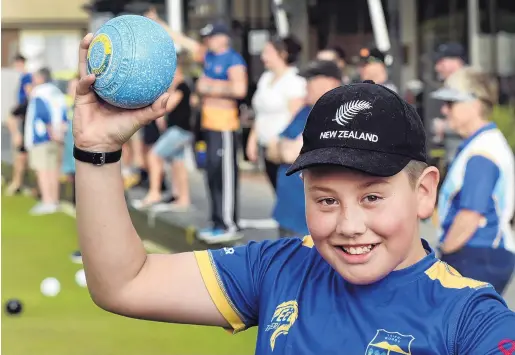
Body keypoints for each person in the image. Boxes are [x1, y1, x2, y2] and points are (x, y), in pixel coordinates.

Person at [73, 33, 515, 354]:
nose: (348, 225)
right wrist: (98, 151)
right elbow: (124, 284)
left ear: (423, 192)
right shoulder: (278, 267)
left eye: (372, 197)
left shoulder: (471, 318)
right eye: (326, 199)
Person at [146, 11, 248, 242]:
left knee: (224, 177)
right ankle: (217, 221)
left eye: (211, 37)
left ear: (223, 38)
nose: (207, 41)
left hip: (225, 127)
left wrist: (208, 87)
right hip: (209, 126)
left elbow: (239, 90)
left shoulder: (232, 60)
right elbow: (183, 41)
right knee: (211, 175)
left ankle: (229, 224)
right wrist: (159, 23)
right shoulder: (208, 56)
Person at [431, 67, 515, 295]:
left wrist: (443, 257)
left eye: (452, 103)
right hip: (480, 254)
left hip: (476, 254)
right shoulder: (482, 145)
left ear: (476, 104)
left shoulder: (482, 152)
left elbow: (470, 216)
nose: (445, 110)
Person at [265, 60, 342, 237]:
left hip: (309, 221)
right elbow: (272, 148)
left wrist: (285, 149)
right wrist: (285, 149)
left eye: (311, 80)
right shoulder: (305, 110)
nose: (305, 85)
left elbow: (291, 152)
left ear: (331, 82)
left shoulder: (337, 114)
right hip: (287, 212)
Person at [132, 60, 193, 211]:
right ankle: (183, 198)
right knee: (178, 164)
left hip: (179, 131)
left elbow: (168, 106)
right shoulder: (174, 88)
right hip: (177, 130)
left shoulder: (182, 87)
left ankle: (154, 192)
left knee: (154, 155)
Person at [247, 35, 305, 191]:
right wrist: (252, 140)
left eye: (268, 52)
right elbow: (260, 113)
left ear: (283, 54)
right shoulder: (265, 78)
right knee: (276, 189)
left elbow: (296, 117)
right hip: (266, 147)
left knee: (289, 191)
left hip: (284, 148)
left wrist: (279, 140)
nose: (263, 57)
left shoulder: (294, 81)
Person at [25, 67, 68, 215]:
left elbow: (42, 114)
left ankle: (47, 201)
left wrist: (50, 132)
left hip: (42, 137)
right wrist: (59, 134)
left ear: (40, 78)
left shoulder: (39, 92)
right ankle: (54, 200)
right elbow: (64, 114)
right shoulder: (57, 92)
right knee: (54, 170)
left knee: (43, 170)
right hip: (57, 137)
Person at [431, 43, 467, 166]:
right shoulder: (452, 85)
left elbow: (469, 122)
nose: (437, 67)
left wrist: (443, 127)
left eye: (441, 62)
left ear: (454, 62)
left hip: (463, 156)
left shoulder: (465, 85)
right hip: (453, 156)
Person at [6, 54, 32, 196]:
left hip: (23, 118)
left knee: (22, 155)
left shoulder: (26, 77)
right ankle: (17, 182)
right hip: (20, 117)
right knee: (20, 154)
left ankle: (18, 183)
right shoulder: (17, 78)